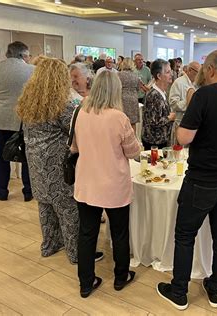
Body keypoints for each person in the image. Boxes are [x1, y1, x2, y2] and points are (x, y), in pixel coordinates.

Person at [156, 50, 217, 311]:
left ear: (210, 69)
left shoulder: (203, 96)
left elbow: (183, 138)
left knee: (185, 235)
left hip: (202, 178)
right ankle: (215, 290)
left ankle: (179, 291)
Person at [17, 58, 103, 264]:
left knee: (45, 205)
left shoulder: (29, 100)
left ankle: (49, 244)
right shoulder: (62, 104)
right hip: (57, 163)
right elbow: (76, 130)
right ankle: (76, 253)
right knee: (68, 209)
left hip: (35, 161)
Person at [72, 71, 141, 298]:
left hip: (87, 182)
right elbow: (133, 151)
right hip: (114, 184)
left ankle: (86, 282)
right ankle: (121, 276)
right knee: (120, 233)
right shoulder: (118, 117)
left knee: (87, 234)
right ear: (116, 90)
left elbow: (75, 147)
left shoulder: (81, 112)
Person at [0, 41, 34, 201]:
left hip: (0, 118)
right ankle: (28, 191)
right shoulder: (32, 70)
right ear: (22, 55)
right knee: (27, 156)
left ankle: (1, 191)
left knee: (1, 157)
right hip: (22, 119)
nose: (29, 59)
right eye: (28, 55)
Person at [141, 59, 175, 149]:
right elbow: (154, 121)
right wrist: (170, 117)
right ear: (159, 76)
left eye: (170, 71)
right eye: (167, 72)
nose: (171, 74)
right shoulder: (154, 95)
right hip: (154, 142)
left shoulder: (161, 92)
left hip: (160, 139)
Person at [168, 61, 200, 128]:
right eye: (198, 72)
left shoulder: (197, 84)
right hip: (180, 123)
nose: (199, 75)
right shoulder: (178, 82)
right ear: (190, 70)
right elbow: (173, 104)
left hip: (193, 123)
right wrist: (190, 101)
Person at [118, 57, 140, 129]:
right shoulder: (136, 76)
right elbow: (138, 89)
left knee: (121, 122)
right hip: (133, 99)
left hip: (121, 99)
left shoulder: (118, 75)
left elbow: (116, 88)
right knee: (132, 123)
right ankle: (133, 138)